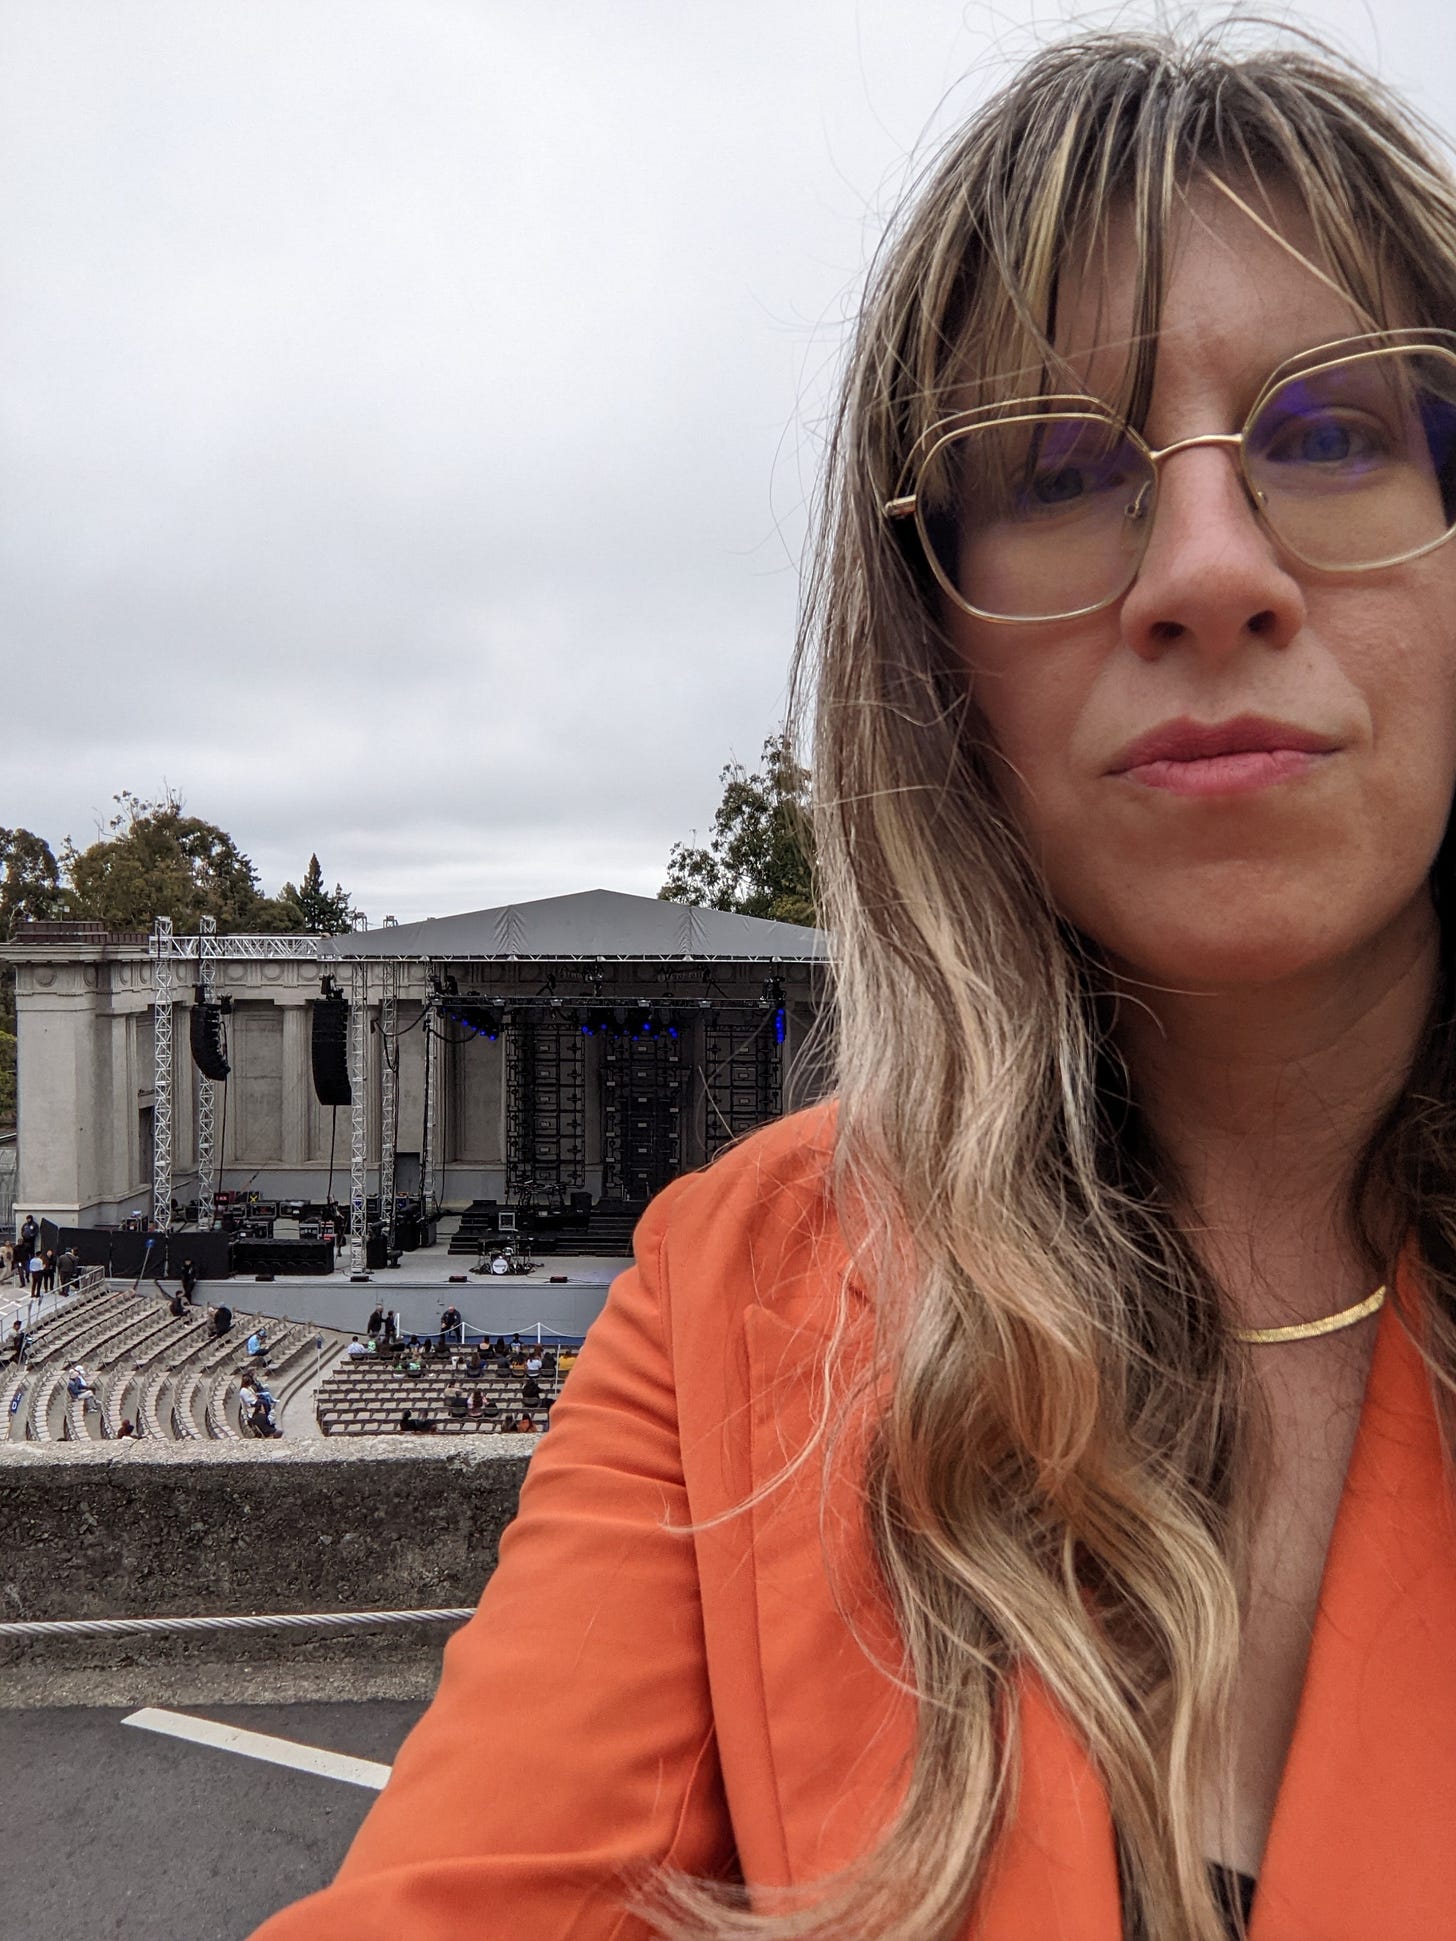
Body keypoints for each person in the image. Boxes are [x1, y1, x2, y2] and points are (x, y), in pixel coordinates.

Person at [248, 29, 1456, 1941]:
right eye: (1061, 467)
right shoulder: (732, 1304)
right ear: (936, 650)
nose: (1212, 568)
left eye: (1334, 432)